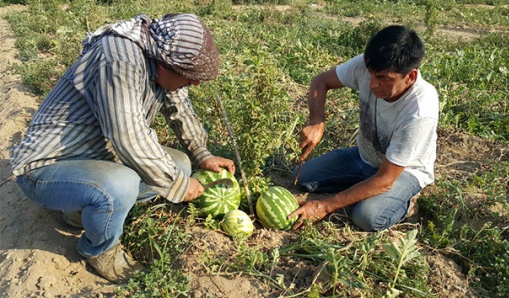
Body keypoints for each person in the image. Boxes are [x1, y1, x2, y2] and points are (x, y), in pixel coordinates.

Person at [10, 13, 235, 283]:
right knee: (122, 184)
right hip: (46, 166)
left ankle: (79, 209)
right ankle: (99, 250)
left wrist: (203, 154)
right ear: (165, 64)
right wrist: (177, 185)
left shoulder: (160, 59)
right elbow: (127, 135)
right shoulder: (118, 60)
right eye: (190, 77)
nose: (195, 83)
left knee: (181, 165)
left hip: (93, 154)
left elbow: (180, 110)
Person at [289, 25, 439, 232]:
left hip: (403, 171)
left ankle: (407, 203)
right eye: (371, 74)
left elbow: (386, 179)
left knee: (367, 217)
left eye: (384, 78)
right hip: (364, 157)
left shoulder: (420, 111)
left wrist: (326, 205)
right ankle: (364, 187)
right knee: (304, 177)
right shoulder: (368, 65)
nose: (372, 84)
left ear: (410, 77)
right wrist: (316, 120)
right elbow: (320, 81)